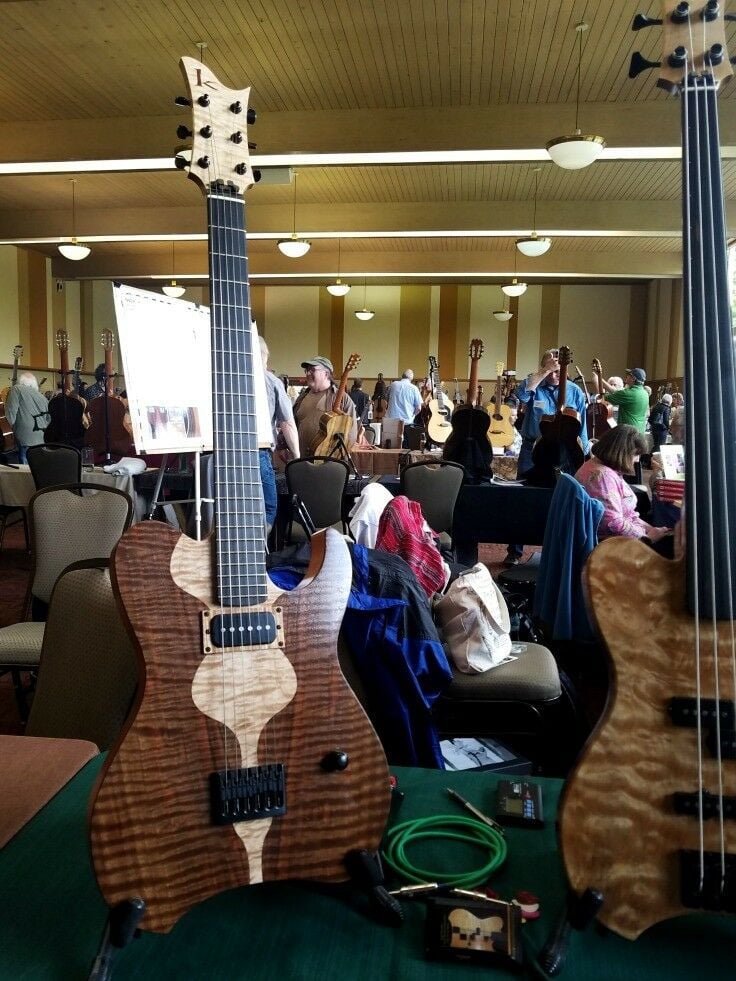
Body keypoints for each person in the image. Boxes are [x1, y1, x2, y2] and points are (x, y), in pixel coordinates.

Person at [504, 349, 590, 565]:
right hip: (532, 449)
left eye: (558, 369)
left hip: (564, 452)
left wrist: (584, 451)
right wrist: (544, 372)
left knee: (563, 498)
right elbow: (522, 396)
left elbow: (583, 425)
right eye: (550, 369)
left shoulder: (574, 391)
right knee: (523, 498)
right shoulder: (534, 384)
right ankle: (515, 551)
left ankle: (562, 550)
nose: (554, 374)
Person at [575, 425, 671, 546]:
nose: (637, 460)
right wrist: (647, 538)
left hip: (613, 540)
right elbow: (613, 524)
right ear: (622, 453)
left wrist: (650, 529)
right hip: (609, 547)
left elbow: (627, 515)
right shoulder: (603, 478)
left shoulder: (597, 466)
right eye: (636, 454)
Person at [258, 337, 300, 530]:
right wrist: (297, 458)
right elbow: (287, 424)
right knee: (268, 507)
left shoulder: (225, 377)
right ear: (265, 356)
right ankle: (257, 552)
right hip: (258, 452)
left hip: (221, 454)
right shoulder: (271, 381)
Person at [293, 356, 357, 454]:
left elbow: (351, 435)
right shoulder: (301, 398)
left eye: (312, 370)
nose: (308, 374)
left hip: (329, 461)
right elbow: (292, 425)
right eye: (307, 370)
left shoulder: (342, 399)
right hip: (302, 460)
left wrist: (335, 455)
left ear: (326, 373)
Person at [4, 372, 50, 464]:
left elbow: (10, 416)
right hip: (42, 440)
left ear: (21, 382)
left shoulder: (16, 389)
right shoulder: (43, 397)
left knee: (24, 474)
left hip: (24, 439)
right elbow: (48, 420)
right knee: (37, 472)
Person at [596, 368, 650, 433]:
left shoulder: (627, 393)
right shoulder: (644, 393)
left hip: (628, 432)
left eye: (629, 375)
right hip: (640, 430)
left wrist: (597, 382)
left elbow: (603, 399)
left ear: (633, 379)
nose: (626, 376)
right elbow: (617, 392)